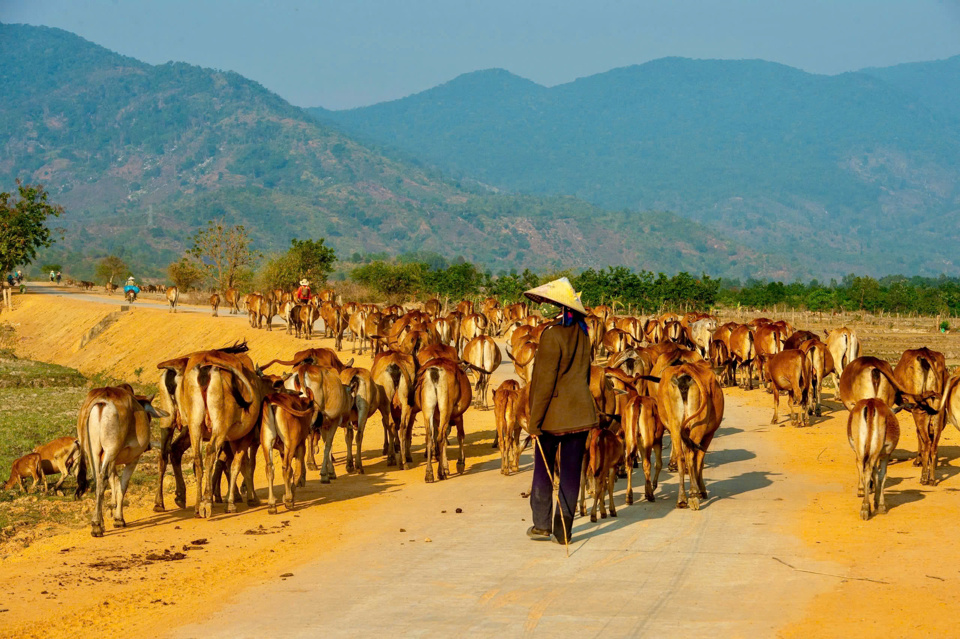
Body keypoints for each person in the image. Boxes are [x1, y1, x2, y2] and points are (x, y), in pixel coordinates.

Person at [523, 277, 597, 545]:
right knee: (570, 472)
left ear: (558, 307)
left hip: (552, 417)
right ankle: (564, 531)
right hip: (580, 414)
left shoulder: (551, 334)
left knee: (543, 469)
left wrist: (534, 422)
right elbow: (585, 375)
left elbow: (543, 382)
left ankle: (542, 525)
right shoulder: (584, 334)